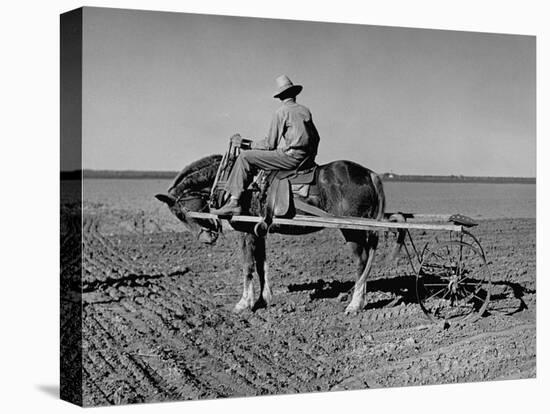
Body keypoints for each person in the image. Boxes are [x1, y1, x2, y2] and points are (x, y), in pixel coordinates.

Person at [211, 75, 321, 216]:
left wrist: (246, 143)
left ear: (280, 97)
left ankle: (234, 202)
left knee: (245, 157)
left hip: (291, 158)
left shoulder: (281, 112)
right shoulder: (305, 111)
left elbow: (270, 145)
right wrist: (309, 157)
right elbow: (316, 138)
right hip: (306, 158)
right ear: (294, 94)